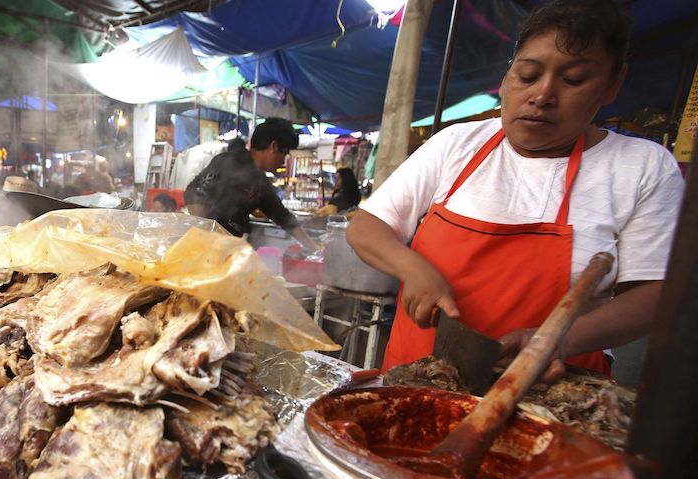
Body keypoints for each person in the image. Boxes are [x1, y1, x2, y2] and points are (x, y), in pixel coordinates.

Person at [347, 0, 684, 380]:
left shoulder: (642, 167)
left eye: (573, 80)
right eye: (527, 75)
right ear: (507, 77)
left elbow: (656, 295)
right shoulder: (456, 144)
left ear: (613, 83)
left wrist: (558, 340)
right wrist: (414, 268)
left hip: (547, 396)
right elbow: (366, 228)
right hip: (417, 378)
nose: (542, 95)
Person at [183, 118, 319, 250]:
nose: (283, 160)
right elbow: (193, 193)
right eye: (285, 154)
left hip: (231, 248)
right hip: (207, 248)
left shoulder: (261, 182)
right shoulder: (228, 161)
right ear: (274, 146)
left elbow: (284, 219)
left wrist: (315, 250)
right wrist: (207, 235)